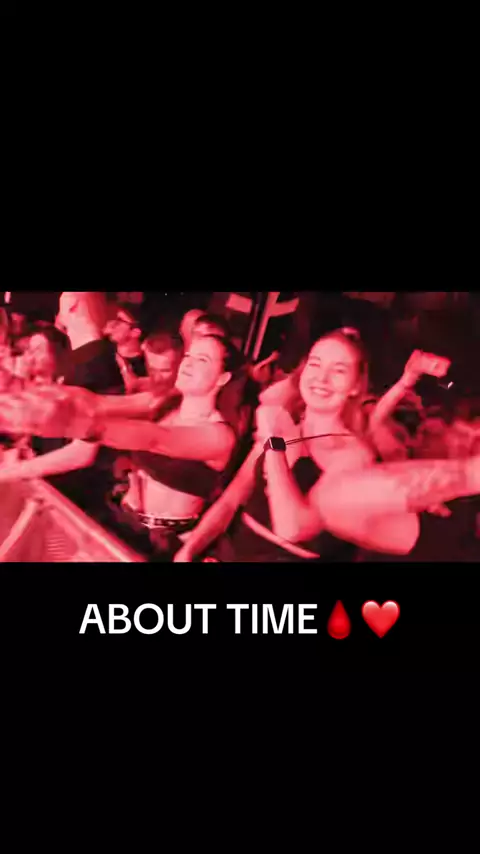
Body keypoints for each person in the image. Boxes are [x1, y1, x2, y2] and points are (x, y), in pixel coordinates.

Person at [173, 329, 403, 563]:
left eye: (339, 370)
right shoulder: (283, 423)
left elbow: (294, 527)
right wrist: (190, 550)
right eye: (315, 364)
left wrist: (274, 442)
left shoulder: (354, 455)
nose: (322, 379)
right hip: (230, 551)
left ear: (355, 386)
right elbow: (231, 500)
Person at [104, 303, 148, 393]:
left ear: (135, 332)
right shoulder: (106, 360)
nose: (110, 325)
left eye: (118, 321)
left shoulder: (150, 361)